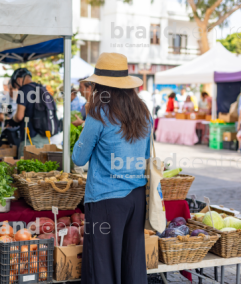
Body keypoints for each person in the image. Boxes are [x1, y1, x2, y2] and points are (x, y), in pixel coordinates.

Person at [73, 52, 151, 284]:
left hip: (106, 199)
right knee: (132, 264)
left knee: (102, 267)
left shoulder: (98, 113)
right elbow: (145, 157)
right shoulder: (144, 113)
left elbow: (78, 157)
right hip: (137, 199)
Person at [7, 68, 50, 158]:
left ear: (19, 80)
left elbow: (19, 116)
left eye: (16, 86)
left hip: (31, 140)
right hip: (45, 140)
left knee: (24, 170)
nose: (17, 88)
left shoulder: (24, 90)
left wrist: (11, 121)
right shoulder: (42, 89)